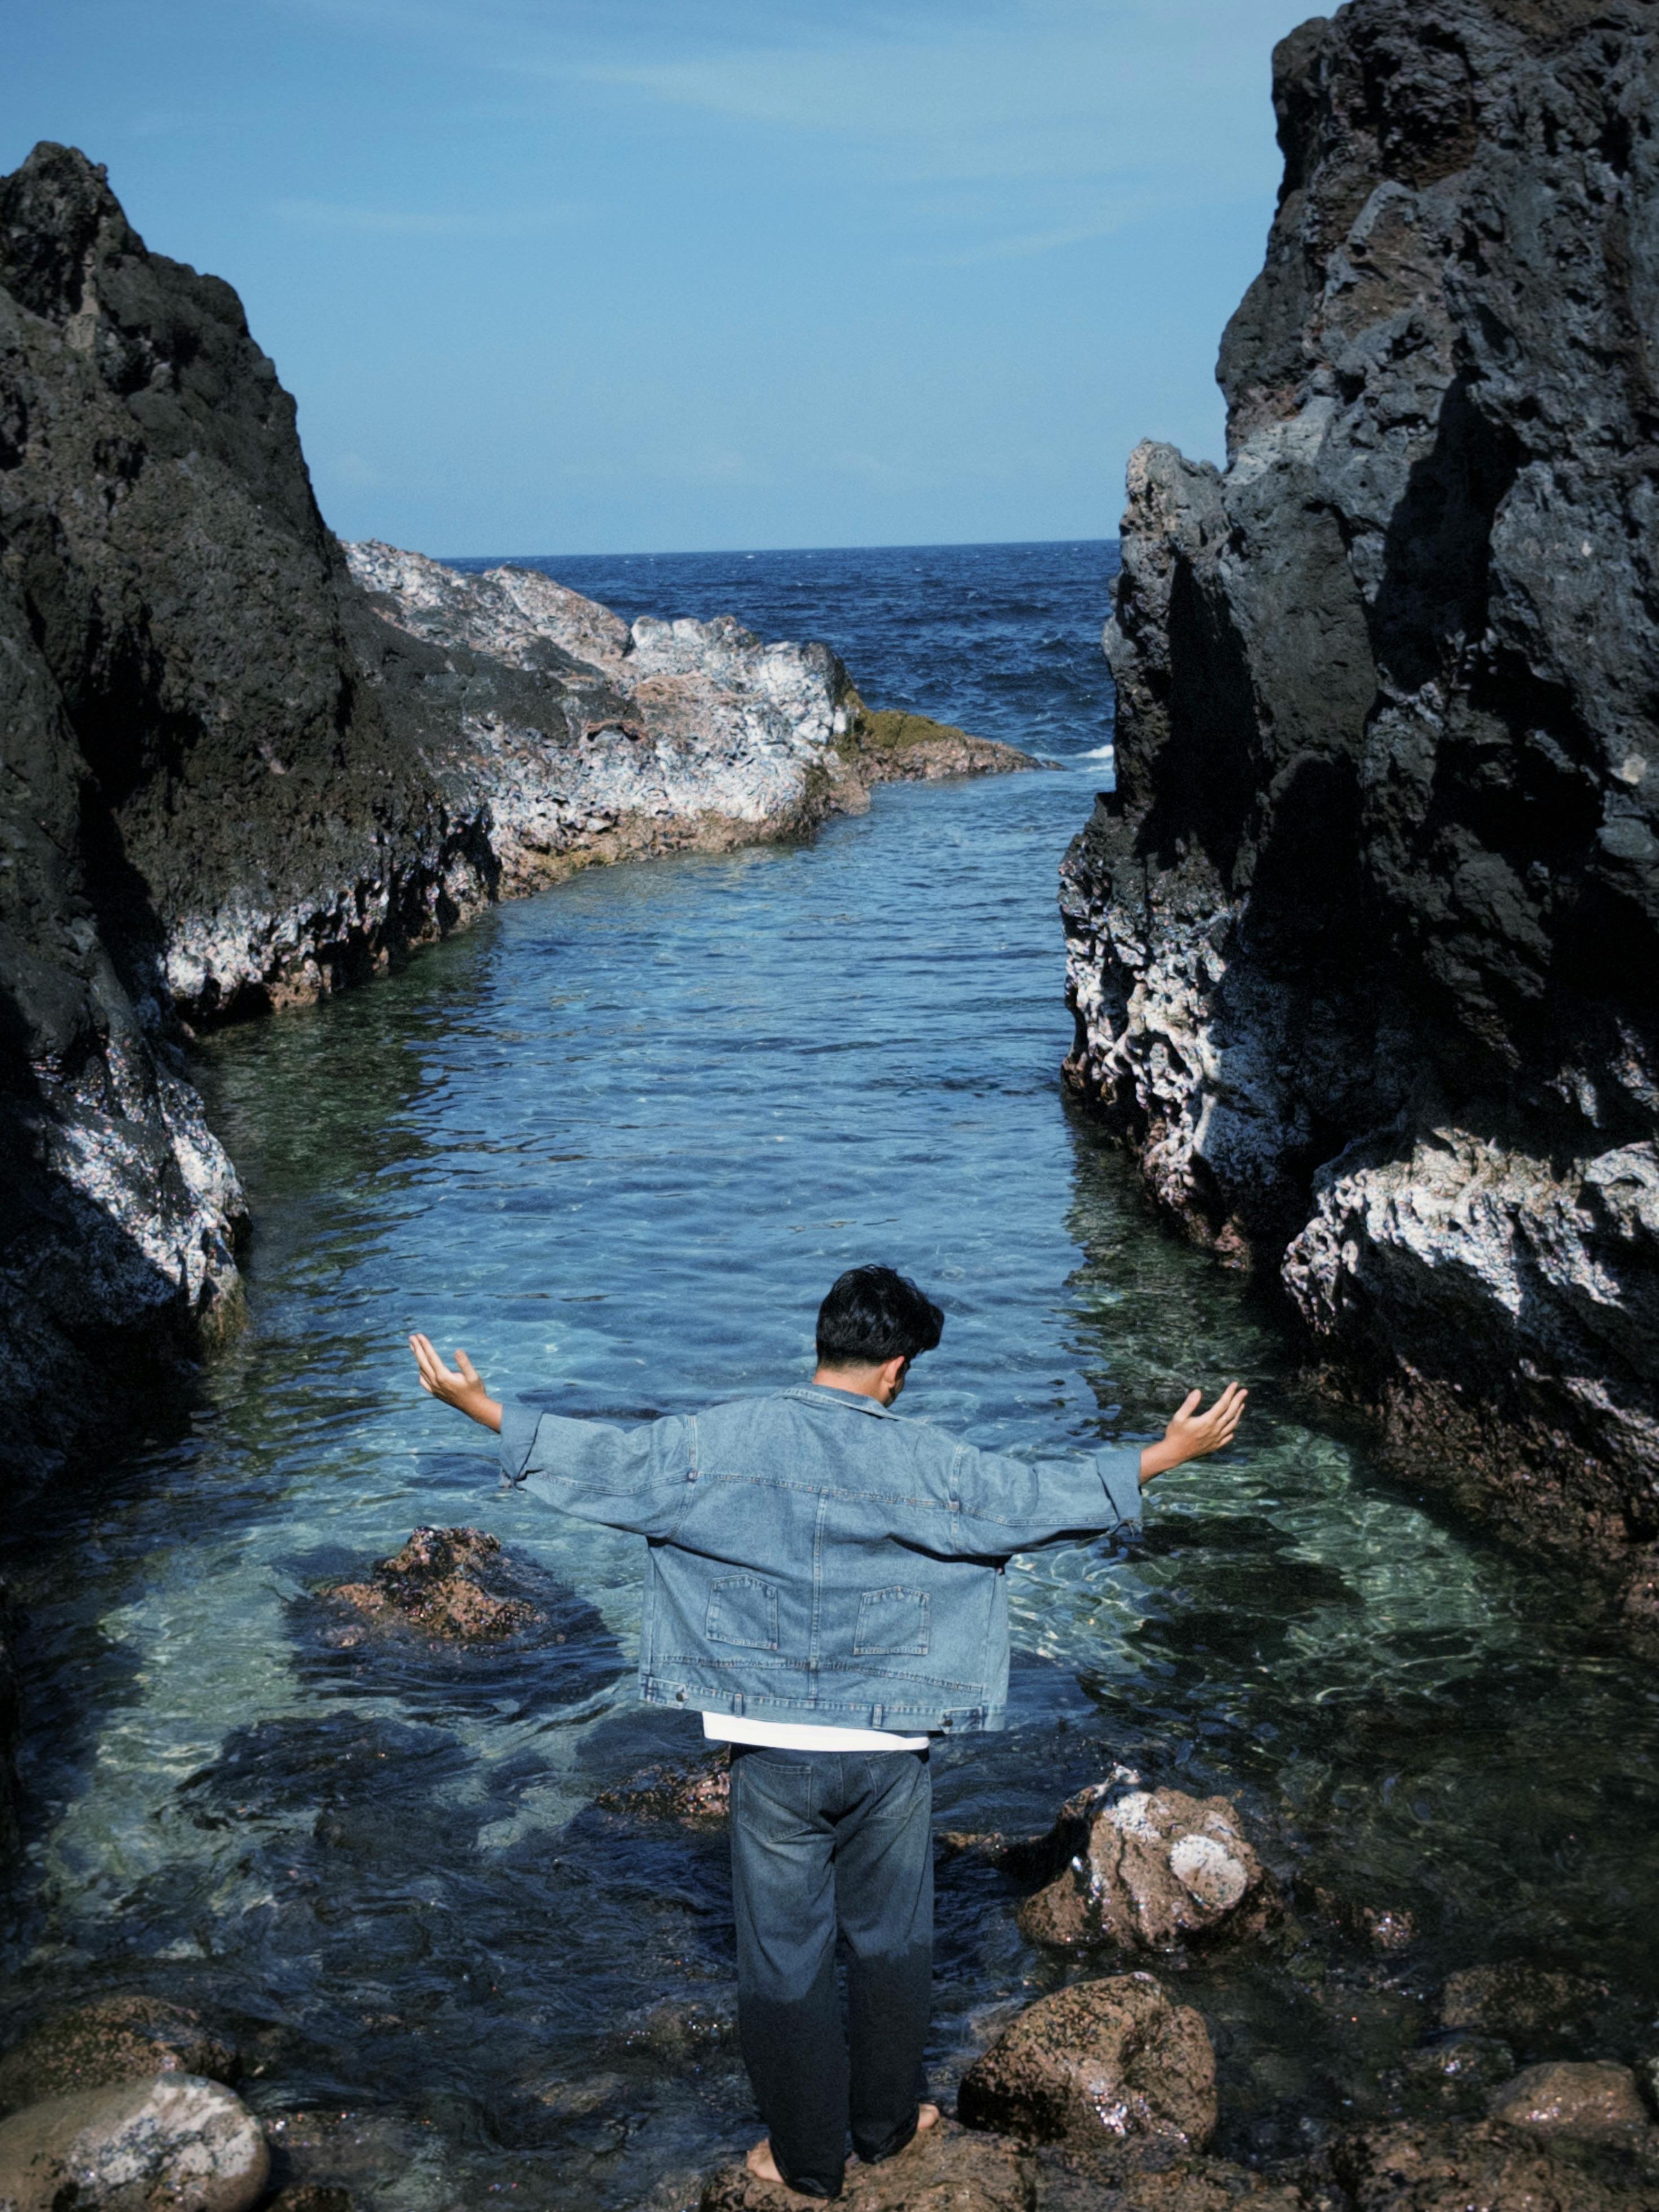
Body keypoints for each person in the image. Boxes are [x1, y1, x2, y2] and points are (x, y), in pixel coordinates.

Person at [408, 1264, 1246, 2202]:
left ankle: (804, 2162)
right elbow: (1034, 1497)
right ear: (894, 1367)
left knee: (781, 1957)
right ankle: (887, 2129)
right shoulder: (935, 1461)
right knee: (891, 1942)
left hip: (771, 1754)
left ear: (823, 1342)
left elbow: (607, 1464)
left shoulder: (715, 1439)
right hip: (889, 1755)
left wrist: (480, 1407)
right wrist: (1166, 1454)